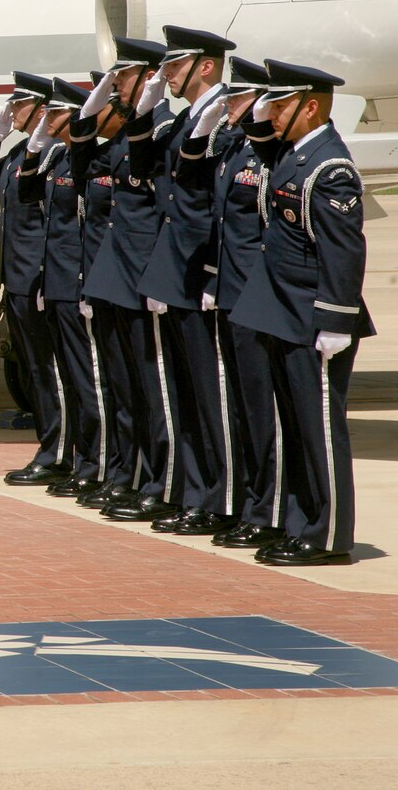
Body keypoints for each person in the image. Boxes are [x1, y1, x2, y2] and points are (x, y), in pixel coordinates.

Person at [230, 60, 373, 566]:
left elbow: (343, 252)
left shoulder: (328, 166)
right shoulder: (293, 154)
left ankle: (328, 536)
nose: (271, 111)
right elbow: (258, 136)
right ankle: (298, 523)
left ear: (309, 106)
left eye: (282, 102)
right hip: (283, 312)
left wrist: (337, 319)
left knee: (319, 429)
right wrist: (261, 110)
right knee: (294, 426)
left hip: (315, 318)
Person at [133, 26, 238, 537]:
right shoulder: (183, 120)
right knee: (187, 395)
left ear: (205, 67)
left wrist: (214, 272)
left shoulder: (223, 120)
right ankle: (194, 494)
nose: (165, 75)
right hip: (176, 270)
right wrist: (144, 112)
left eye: (173, 67)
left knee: (211, 396)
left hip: (202, 273)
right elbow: (144, 168)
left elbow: (220, 207)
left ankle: (217, 500)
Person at [174, 56, 282, 550]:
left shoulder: (268, 157)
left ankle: (263, 510)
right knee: (238, 408)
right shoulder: (232, 150)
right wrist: (203, 130)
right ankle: (244, 506)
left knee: (261, 413)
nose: (229, 106)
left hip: (258, 296)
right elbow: (189, 179)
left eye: (237, 99)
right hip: (231, 292)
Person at [81, 38, 183, 525]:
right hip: (117, 273)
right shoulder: (126, 137)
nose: (114, 85)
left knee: (153, 388)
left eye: (120, 77)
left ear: (148, 78)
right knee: (128, 388)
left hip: (146, 275)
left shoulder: (164, 130)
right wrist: (99, 98)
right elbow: (81, 154)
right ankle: (135, 474)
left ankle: (160, 483)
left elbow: (169, 212)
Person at [0, 72, 67, 486]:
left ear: (41, 110)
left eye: (19, 105)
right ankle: (50, 447)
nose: (12, 112)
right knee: (36, 372)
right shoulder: (18, 153)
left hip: (42, 279)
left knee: (54, 371)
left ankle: (61, 452)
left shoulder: (54, 155)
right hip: (17, 279)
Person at [17, 78, 102, 497]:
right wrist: (34, 146)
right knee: (70, 378)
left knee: (90, 383)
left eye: (56, 114)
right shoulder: (57, 161)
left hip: (77, 285)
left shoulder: (87, 162)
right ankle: (80, 459)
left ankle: (97, 463)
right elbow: (26, 189)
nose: (47, 120)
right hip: (56, 284)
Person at [67, 69, 136, 510]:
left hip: (128, 284)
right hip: (104, 283)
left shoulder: (133, 150)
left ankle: (131, 473)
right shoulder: (104, 154)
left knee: (133, 391)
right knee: (116, 387)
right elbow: (79, 167)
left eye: (104, 102)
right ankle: (119, 470)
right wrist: (85, 119)